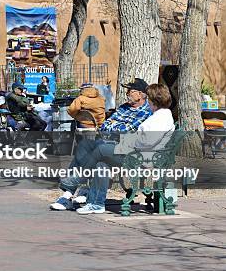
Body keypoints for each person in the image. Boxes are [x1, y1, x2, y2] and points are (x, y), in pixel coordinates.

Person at [50, 78, 153, 210]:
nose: (127, 93)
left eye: (130, 91)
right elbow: (105, 125)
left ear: (141, 94)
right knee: (85, 145)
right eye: (127, 90)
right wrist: (116, 127)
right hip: (107, 143)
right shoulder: (123, 108)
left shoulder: (146, 112)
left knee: (99, 151)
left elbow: (127, 130)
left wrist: (116, 126)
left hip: (124, 151)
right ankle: (70, 195)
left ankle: (76, 186)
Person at [76, 83, 175, 214]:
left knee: (100, 149)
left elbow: (146, 142)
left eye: (149, 99)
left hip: (141, 159)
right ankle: (96, 203)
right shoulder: (161, 116)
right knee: (101, 163)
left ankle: (79, 182)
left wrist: (127, 142)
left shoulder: (160, 119)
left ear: (154, 100)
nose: (148, 101)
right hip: (139, 155)